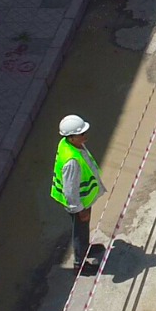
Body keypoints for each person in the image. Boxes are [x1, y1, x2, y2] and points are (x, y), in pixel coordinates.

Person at [52, 115, 103, 277]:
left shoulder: (68, 144)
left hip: (82, 200)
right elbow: (70, 190)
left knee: (83, 230)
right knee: (79, 232)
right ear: (72, 137)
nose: (85, 135)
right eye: (82, 133)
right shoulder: (71, 161)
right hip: (78, 203)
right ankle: (79, 265)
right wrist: (79, 209)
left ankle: (86, 248)